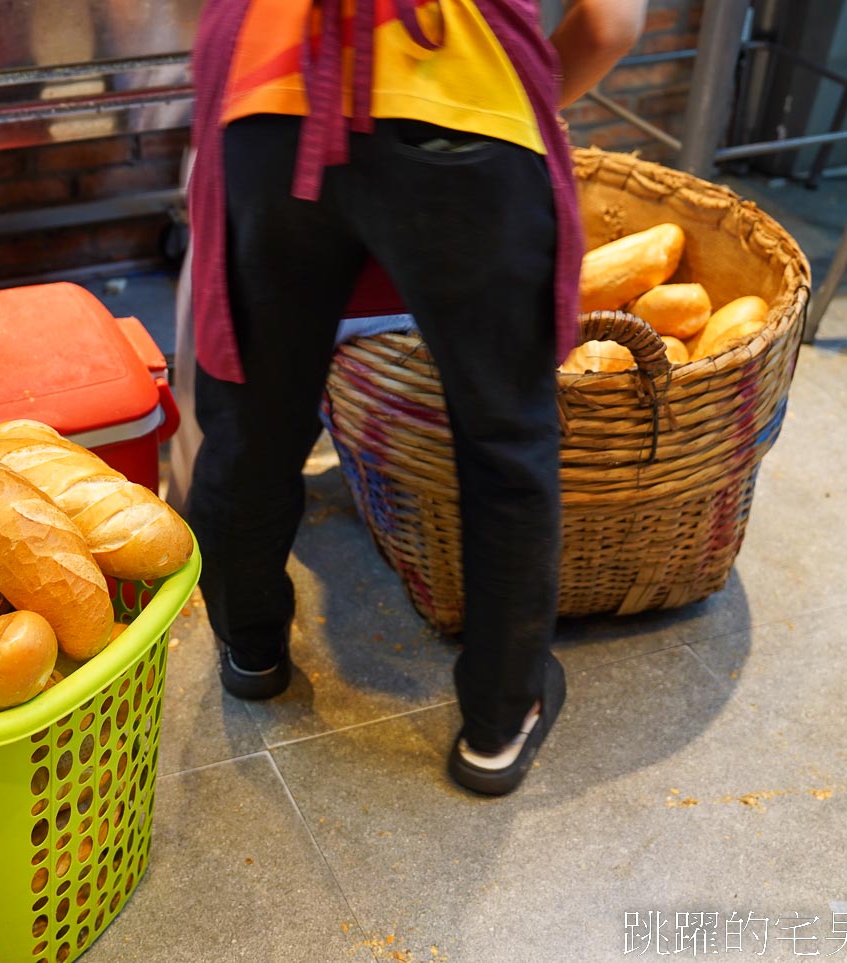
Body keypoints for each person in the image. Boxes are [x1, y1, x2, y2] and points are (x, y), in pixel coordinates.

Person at [183, 0, 647, 795]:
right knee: (504, 432)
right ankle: (501, 721)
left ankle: (251, 648)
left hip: (273, 104)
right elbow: (609, 23)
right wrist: (523, 106)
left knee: (255, 413)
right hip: (463, 108)